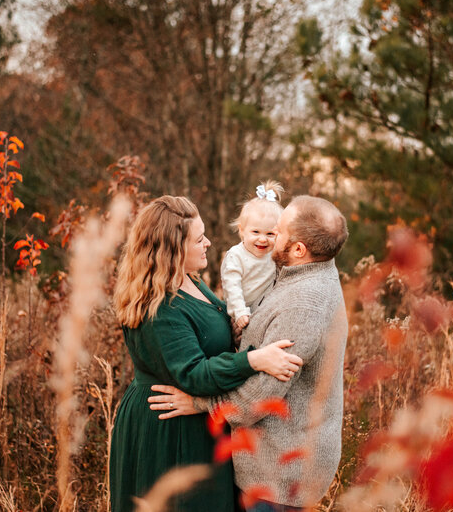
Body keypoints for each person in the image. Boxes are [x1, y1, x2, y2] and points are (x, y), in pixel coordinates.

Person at [149, 195, 349, 511]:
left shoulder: (303, 304)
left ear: (299, 249)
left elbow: (260, 397)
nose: (269, 238)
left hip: (279, 476)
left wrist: (199, 402)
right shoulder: (305, 273)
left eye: (278, 232)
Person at [109, 196, 304, 512]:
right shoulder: (158, 307)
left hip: (197, 418)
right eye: (198, 239)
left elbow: (211, 336)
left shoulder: (189, 280)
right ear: (173, 249)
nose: (209, 243)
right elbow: (194, 374)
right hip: (169, 429)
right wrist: (254, 359)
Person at [221, 181, 284, 335]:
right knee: (240, 339)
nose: (263, 239)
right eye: (255, 232)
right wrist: (240, 312)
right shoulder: (236, 256)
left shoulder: (274, 255)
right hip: (240, 310)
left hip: (264, 308)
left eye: (270, 234)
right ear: (242, 231)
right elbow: (232, 286)